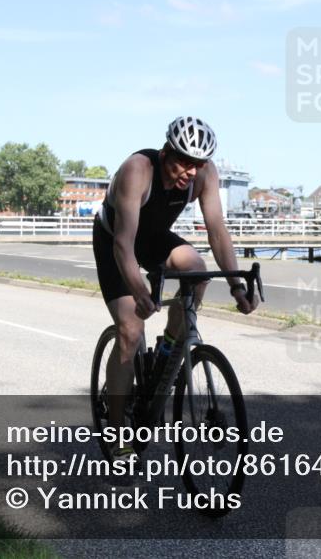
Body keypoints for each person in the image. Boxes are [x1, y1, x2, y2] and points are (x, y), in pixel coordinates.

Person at [93, 116, 259, 463]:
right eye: (184, 161)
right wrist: (139, 290)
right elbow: (123, 245)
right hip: (115, 239)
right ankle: (118, 434)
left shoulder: (204, 174)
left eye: (198, 163)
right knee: (131, 329)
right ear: (166, 151)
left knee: (196, 270)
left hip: (153, 238)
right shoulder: (138, 170)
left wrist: (236, 287)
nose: (191, 171)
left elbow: (217, 232)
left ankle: (169, 347)